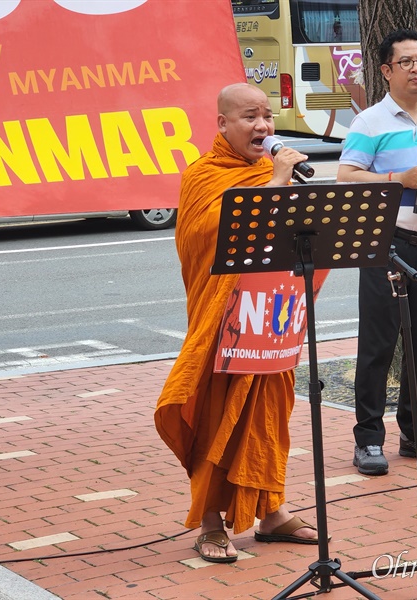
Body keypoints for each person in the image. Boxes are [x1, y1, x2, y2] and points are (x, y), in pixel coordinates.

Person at [155, 83, 320, 563]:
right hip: (221, 322)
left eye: (267, 116)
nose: (263, 127)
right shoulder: (203, 176)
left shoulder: (274, 171)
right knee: (215, 413)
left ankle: (271, 512)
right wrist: (276, 184)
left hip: (268, 317)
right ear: (222, 124)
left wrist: (284, 183)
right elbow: (214, 236)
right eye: (250, 117)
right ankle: (209, 522)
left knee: (268, 413)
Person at [337, 29, 417, 476]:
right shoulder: (370, 122)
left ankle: (415, 431)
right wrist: (397, 180)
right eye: (407, 62)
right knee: (377, 345)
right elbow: (346, 176)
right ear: (387, 70)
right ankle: (369, 439)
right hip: (386, 246)